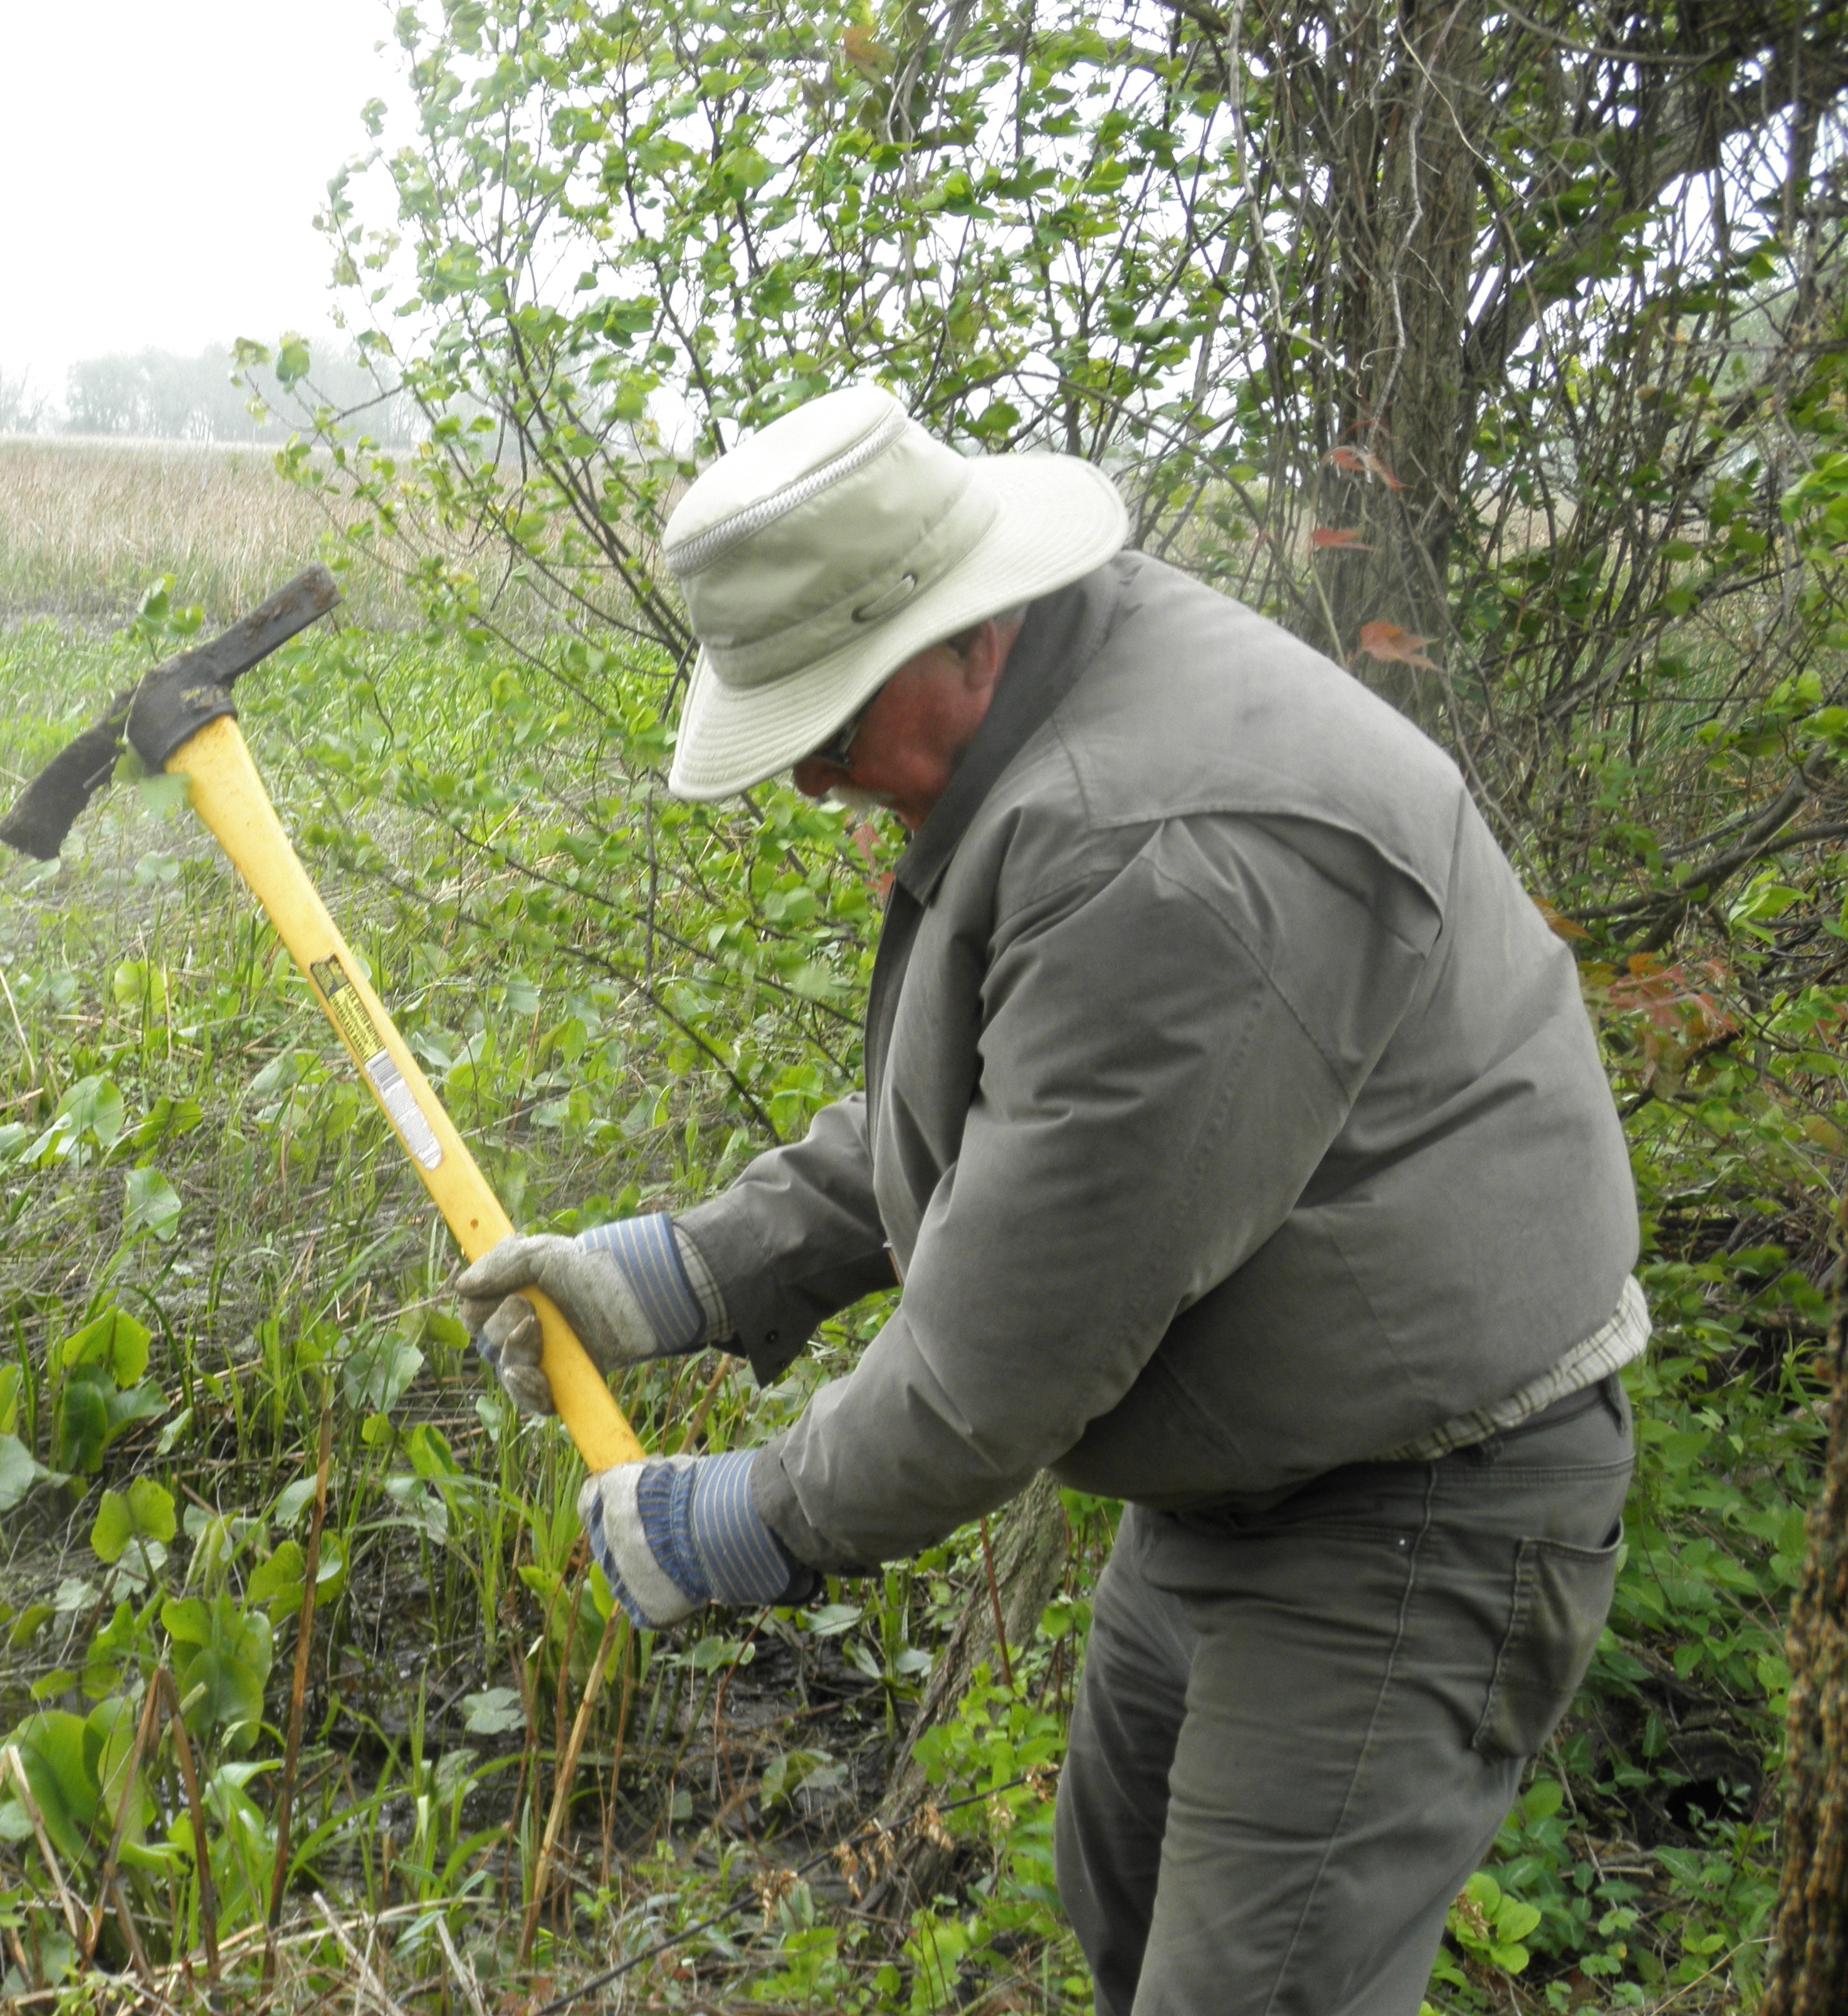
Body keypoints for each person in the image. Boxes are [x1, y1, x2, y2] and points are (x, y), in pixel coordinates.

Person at [456, 384, 1644, 2014]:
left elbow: (999, 1358)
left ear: (962, 636)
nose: (811, 783)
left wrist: (756, 1521)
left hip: (1416, 1500)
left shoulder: (1157, 845)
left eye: (829, 725)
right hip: (1261, 1470)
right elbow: (1004, 1112)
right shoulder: (1067, 698)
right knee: (1127, 1908)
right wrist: (690, 1274)